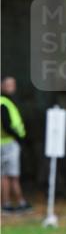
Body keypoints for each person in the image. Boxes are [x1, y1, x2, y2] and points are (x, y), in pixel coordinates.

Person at [1, 76, 31, 212]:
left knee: (9, 175)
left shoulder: (8, 101)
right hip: (7, 143)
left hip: (8, 143)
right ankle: (10, 204)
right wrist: (18, 137)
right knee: (9, 175)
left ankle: (17, 202)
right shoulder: (3, 102)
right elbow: (6, 124)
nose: (12, 86)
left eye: (13, 84)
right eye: (8, 84)